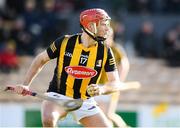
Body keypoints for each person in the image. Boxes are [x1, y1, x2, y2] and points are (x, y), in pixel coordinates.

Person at [13, 8, 126, 127]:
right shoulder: (65, 42)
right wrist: (26, 84)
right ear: (91, 26)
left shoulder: (105, 51)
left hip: (84, 101)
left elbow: (115, 83)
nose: (107, 28)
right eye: (104, 24)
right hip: (58, 95)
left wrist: (101, 89)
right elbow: (40, 59)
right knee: (48, 118)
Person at [95, 27, 130, 127]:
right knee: (100, 115)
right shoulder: (97, 48)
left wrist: (119, 81)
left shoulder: (116, 49)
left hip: (110, 86)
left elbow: (124, 64)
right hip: (98, 86)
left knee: (108, 114)